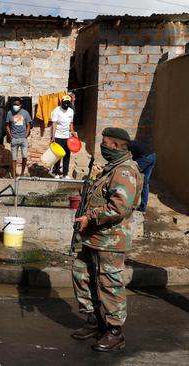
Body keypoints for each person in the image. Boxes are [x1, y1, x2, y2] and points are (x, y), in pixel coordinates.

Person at [71, 127, 142, 352]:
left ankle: (114, 331)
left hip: (110, 239)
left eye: (104, 142)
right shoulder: (111, 169)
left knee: (109, 284)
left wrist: (90, 217)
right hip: (94, 237)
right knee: (82, 274)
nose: (102, 145)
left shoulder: (125, 171)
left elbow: (119, 207)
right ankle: (94, 321)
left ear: (115, 145)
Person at [51, 95, 76, 179]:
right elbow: (54, 124)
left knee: (67, 155)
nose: (66, 104)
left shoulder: (71, 111)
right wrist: (53, 137)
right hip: (58, 135)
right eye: (65, 102)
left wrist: (72, 133)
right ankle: (57, 173)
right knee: (58, 155)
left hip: (67, 136)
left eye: (68, 102)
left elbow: (71, 123)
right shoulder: (56, 110)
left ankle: (65, 174)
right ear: (61, 102)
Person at [6, 97, 32, 178]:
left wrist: (26, 134)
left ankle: (22, 173)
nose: (15, 106)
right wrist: (10, 136)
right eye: (14, 104)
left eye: (17, 104)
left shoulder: (25, 113)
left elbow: (28, 125)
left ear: (20, 105)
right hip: (14, 139)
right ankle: (14, 175)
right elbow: (7, 125)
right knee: (14, 158)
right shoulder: (9, 113)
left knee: (24, 157)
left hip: (23, 139)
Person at [128, 140, 156, 212]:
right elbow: (135, 157)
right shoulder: (134, 143)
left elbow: (128, 158)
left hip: (146, 158)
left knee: (131, 177)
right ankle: (143, 207)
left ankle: (130, 204)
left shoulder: (127, 145)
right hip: (153, 156)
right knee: (145, 183)